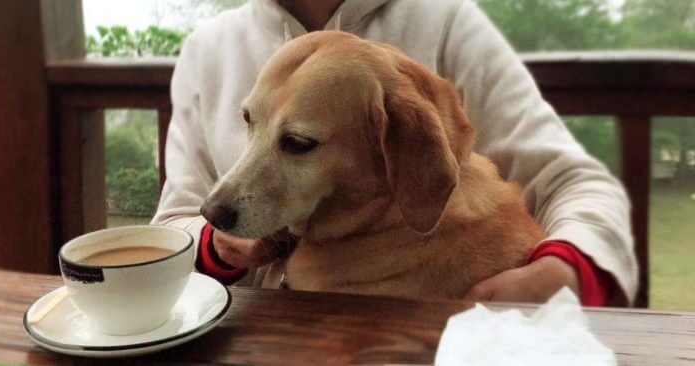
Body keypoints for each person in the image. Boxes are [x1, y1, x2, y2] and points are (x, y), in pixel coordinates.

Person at [152, 0, 637, 306]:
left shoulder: (447, 21)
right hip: (255, 335)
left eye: (298, 143)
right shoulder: (208, 48)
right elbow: (176, 221)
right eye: (247, 121)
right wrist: (216, 246)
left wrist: (566, 270)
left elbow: (575, 182)